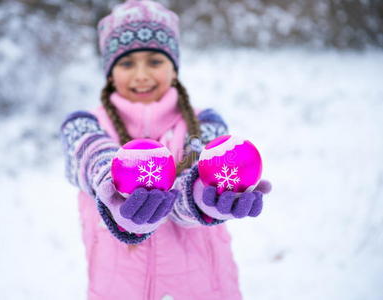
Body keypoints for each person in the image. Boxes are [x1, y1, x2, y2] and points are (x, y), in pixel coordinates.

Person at [60, 1, 271, 299]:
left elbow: (197, 180)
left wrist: (203, 199)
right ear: (109, 73)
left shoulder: (204, 123)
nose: (142, 74)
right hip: (119, 287)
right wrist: (117, 196)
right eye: (127, 63)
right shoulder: (83, 124)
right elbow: (93, 158)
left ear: (174, 69)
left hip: (201, 285)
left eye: (155, 61)